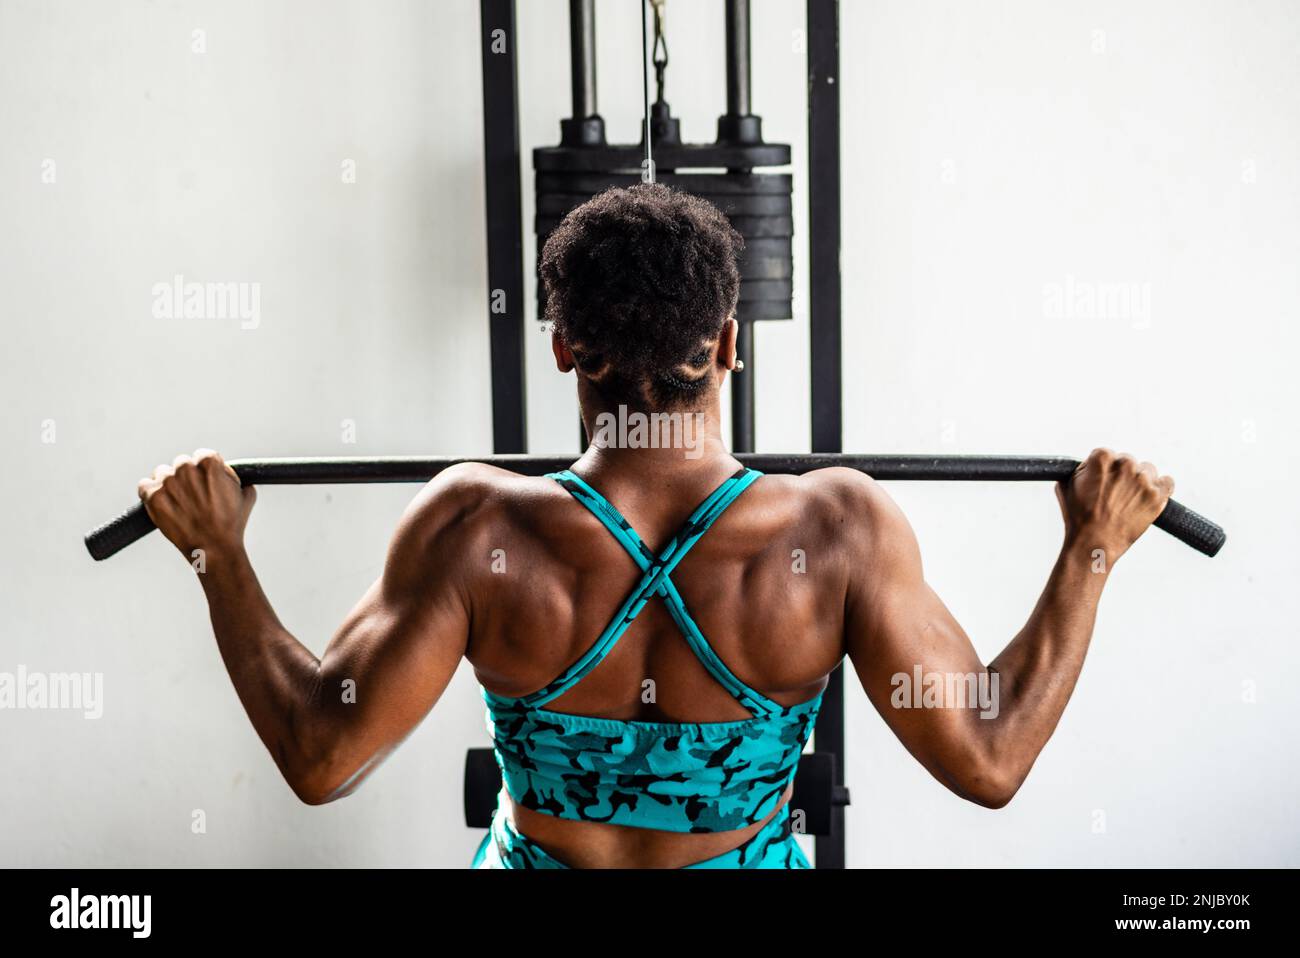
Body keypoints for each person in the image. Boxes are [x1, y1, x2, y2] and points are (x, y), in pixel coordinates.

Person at [137, 184, 1174, 869]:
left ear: (561, 348)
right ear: (730, 342)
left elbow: (323, 754)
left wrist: (217, 552)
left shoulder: (468, 524)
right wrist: (1092, 547)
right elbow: (987, 759)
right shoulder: (839, 527)